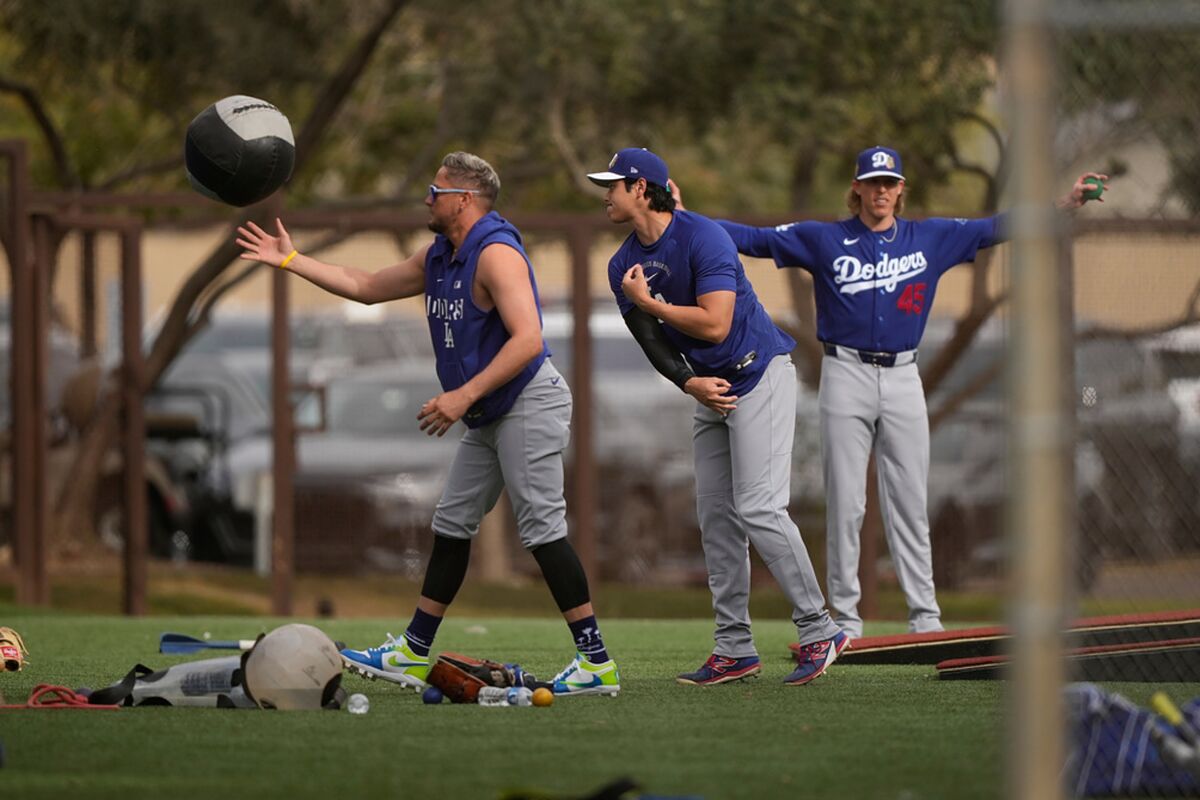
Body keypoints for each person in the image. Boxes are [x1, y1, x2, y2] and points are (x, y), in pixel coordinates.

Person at [678, 145, 1107, 640]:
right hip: (844, 372)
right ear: (856, 187)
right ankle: (846, 618)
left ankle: (925, 616)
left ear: (901, 189)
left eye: (889, 183)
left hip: (904, 376)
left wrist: (1064, 204)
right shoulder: (825, 238)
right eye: (872, 182)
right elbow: (752, 239)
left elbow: (995, 228)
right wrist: (689, 219)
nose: (881, 191)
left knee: (909, 498)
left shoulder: (930, 237)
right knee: (847, 502)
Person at [236, 152, 619, 697]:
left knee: (540, 529)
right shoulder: (441, 254)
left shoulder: (496, 253)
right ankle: (413, 652)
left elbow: (529, 339)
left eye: (435, 191)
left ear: (464, 200)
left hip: (528, 402)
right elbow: (366, 285)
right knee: (452, 522)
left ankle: (596, 662)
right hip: (489, 409)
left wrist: (462, 395)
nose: (426, 199)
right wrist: (292, 258)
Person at [584, 148, 846, 686]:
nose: (604, 193)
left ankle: (821, 630)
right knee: (716, 519)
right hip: (710, 391)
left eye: (613, 184)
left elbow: (716, 326)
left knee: (760, 508)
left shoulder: (704, 237)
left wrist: (651, 303)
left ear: (640, 188)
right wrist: (688, 383)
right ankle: (734, 648)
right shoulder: (621, 265)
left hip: (758, 376)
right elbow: (651, 342)